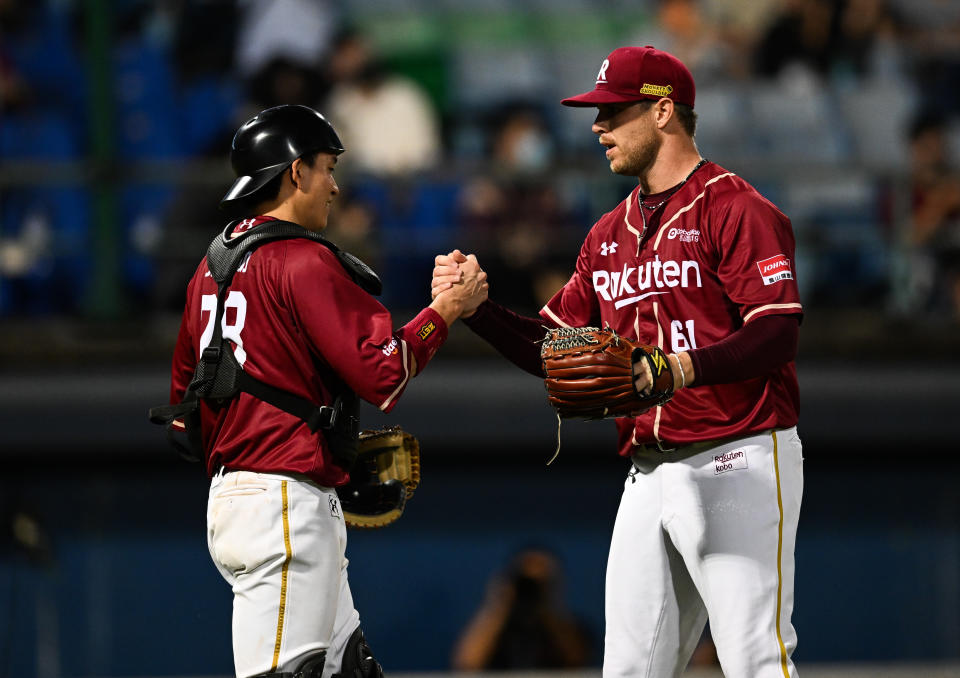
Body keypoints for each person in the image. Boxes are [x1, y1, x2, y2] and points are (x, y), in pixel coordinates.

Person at [433, 46, 804, 677]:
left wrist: (677, 368)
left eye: (612, 111)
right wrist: (480, 310)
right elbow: (551, 348)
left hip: (736, 450)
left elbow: (776, 332)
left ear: (663, 112)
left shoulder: (736, 207)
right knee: (630, 668)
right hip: (647, 468)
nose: (598, 126)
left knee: (753, 656)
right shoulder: (607, 234)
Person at [164, 104, 486, 678]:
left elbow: (188, 419)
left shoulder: (210, 266)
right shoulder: (302, 260)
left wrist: (313, 449)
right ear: (295, 172)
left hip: (238, 497)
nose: (334, 186)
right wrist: (446, 310)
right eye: (327, 168)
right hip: (283, 504)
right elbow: (384, 372)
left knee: (349, 670)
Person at [451, 547, 593, 671]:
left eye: (541, 583)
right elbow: (467, 664)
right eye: (526, 582)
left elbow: (576, 661)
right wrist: (498, 606)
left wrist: (549, 607)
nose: (532, 589)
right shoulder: (496, 628)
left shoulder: (570, 628)